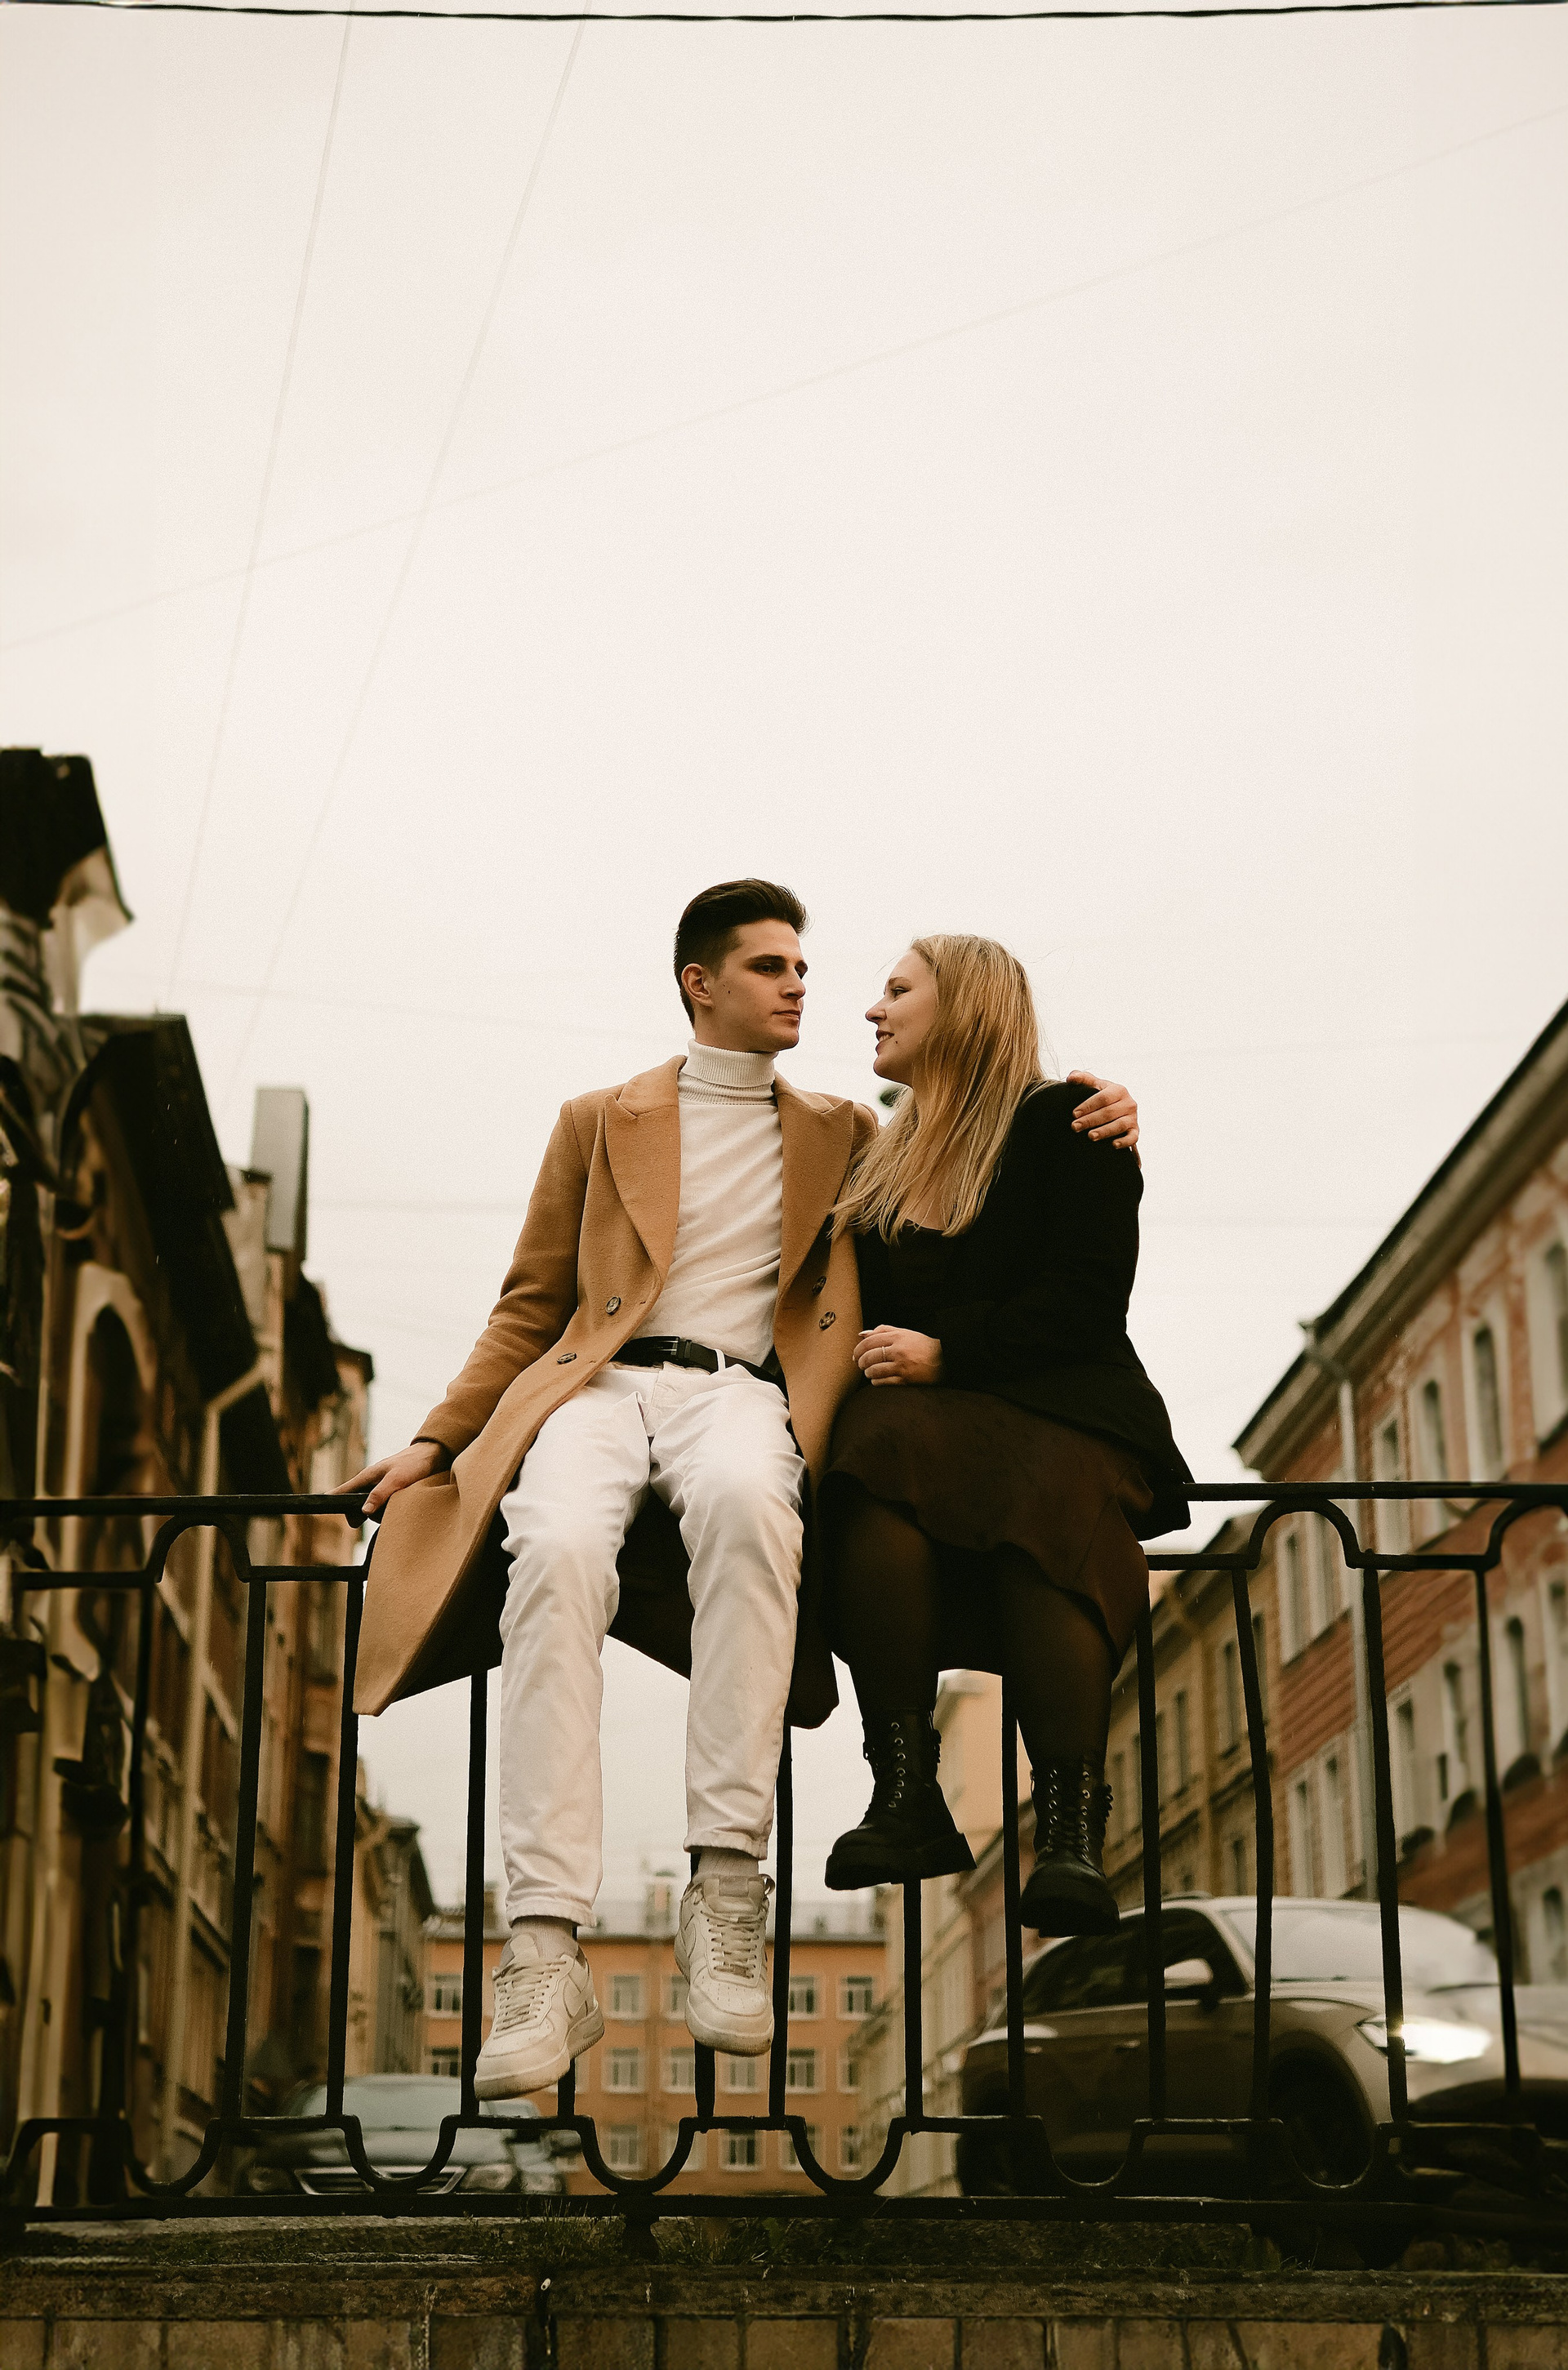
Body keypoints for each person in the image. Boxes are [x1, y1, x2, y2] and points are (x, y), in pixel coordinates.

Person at [343, 885, 1141, 2096]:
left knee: (754, 1514)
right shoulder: (598, 1119)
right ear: (699, 983)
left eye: (806, 966)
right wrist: (437, 1438)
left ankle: (727, 1895)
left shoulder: (850, 1133)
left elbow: (976, 1158)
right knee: (552, 1552)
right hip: (596, 1388)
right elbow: (529, 1303)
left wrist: (1104, 1105)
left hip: (738, 1393)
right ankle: (543, 1947)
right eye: (771, 965)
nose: (804, 985)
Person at [820, 935, 1190, 1937]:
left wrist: (950, 1354)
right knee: (870, 1446)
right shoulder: (876, 1158)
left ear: (966, 1006)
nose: (873, 1009)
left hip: (1067, 1411)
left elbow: (1087, 1300)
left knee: (1048, 1492)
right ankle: (906, 1795)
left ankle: (1070, 1835)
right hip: (930, 1438)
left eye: (897, 989)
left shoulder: (1068, 1122)